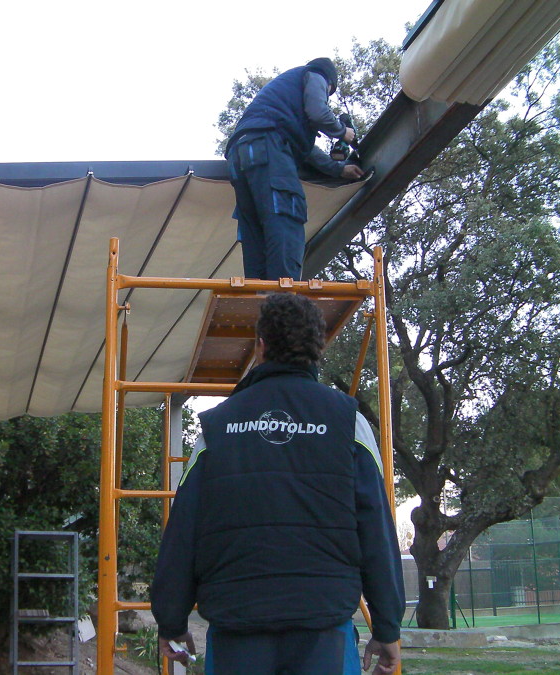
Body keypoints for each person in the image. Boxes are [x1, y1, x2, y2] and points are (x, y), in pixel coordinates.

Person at [151, 293, 404, 674]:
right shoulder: (348, 422)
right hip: (323, 627)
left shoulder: (218, 426)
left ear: (261, 346)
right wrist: (387, 627)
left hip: (237, 625)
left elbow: (185, 526)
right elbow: (376, 530)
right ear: (316, 351)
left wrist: (171, 620)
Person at [225, 58, 365, 282]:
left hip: (240, 154)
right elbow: (318, 112)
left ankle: (259, 291)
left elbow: (307, 151)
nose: (326, 96)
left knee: (254, 227)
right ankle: (284, 294)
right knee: (285, 211)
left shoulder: (280, 110)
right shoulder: (317, 74)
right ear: (329, 83)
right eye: (329, 92)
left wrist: (339, 170)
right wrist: (342, 132)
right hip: (267, 145)